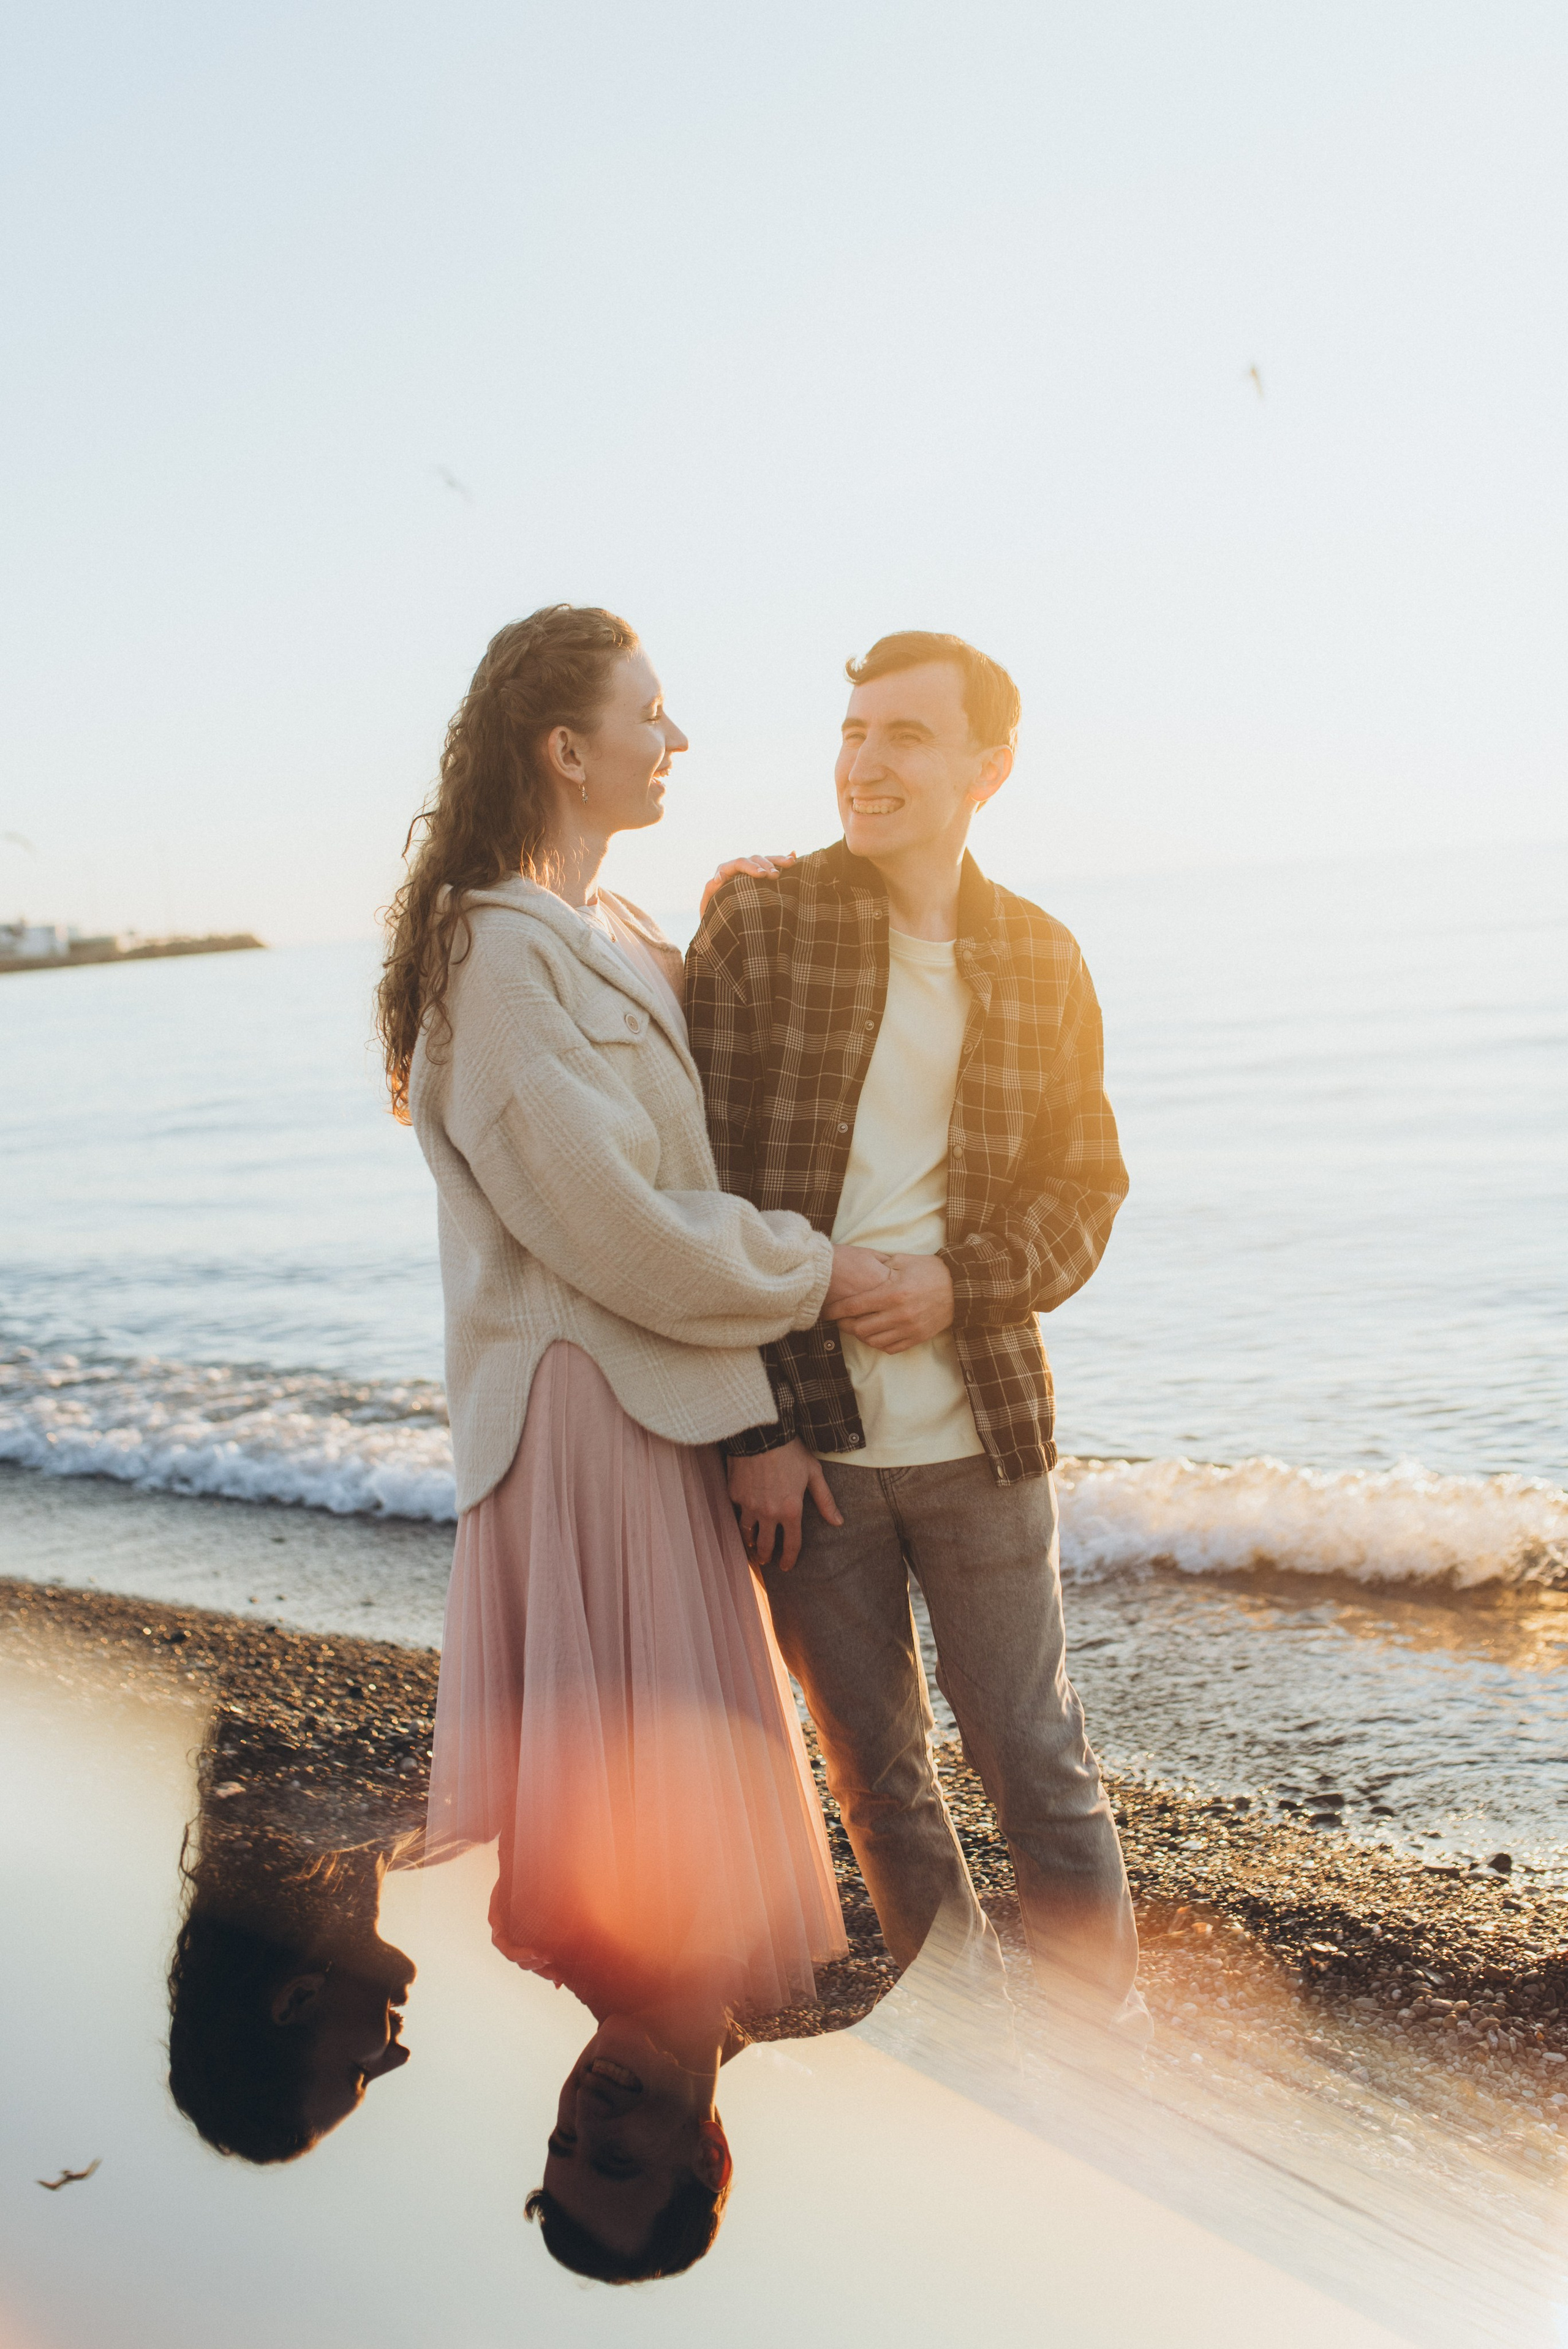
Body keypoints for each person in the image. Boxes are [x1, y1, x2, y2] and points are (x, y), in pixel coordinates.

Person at [377, 604, 884, 2271]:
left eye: (566, 2147)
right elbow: (623, 1229)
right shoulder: (492, 950)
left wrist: (753, 1394)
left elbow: (668, 1200)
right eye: (650, 715)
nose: (591, 2124)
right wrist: (831, 1285)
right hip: (601, 1425)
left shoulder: (585, 925)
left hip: (623, 1424)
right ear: (564, 745)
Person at [685, 630, 1142, 2023]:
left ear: (985, 768)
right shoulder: (762, 923)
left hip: (983, 1436)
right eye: (853, 731)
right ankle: (966, 2046)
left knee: (1033, 1757)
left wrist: (957, 1282)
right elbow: (692, 1192)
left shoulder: (1038, 954)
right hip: (809, 1451)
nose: (865, 762)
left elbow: (1086, 1189)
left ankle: (1096, 2042)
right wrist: (751, 1430)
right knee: (874, 1777)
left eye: (905, 736)